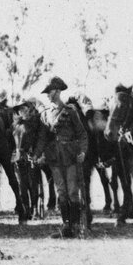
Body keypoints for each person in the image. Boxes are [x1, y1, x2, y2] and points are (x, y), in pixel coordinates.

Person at [37, 77, 89, 239]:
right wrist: (38, 155)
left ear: (58, 91)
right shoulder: (45, 115)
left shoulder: (70, 112)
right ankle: (66, 225)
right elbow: (43, 138)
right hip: (55, 158)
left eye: (50, 92)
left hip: (71, 155)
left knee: (73, 191)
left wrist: (83, 152)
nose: (48, 95)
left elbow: (82, 134)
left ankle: (75, 225)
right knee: (61, 192)